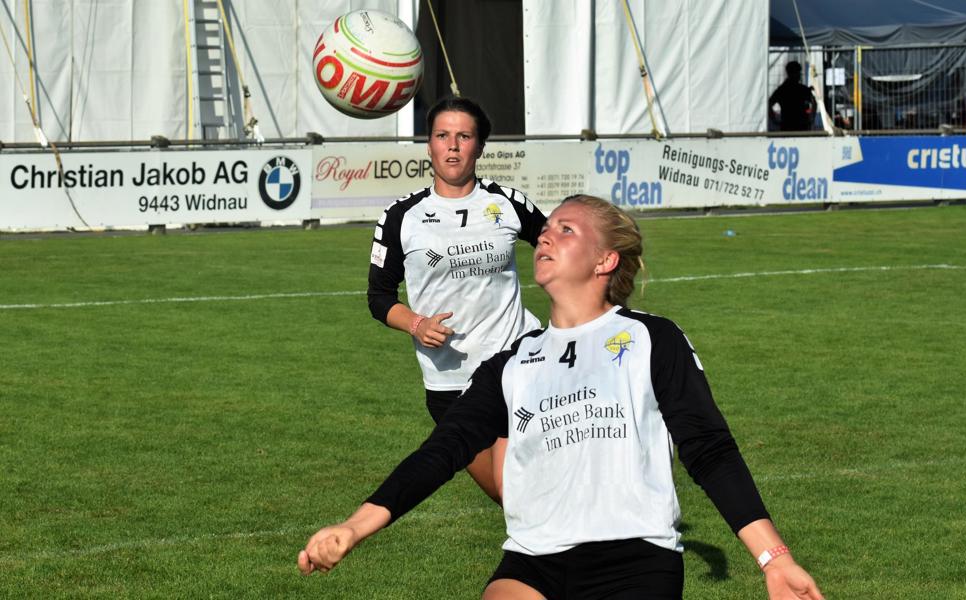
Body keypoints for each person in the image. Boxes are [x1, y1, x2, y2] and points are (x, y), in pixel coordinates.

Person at [303, 196, 825, 600]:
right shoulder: (512, 362)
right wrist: (354, 527)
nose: (546, 237)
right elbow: (445, 449)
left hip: (634, 559)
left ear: (605, 260)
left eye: (566, 230)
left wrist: (773, 559)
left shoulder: (653, 339)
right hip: (533, 562)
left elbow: (708, 449)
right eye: (547, 229)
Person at [367, 97, 546, 502]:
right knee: (510, 496)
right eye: (442, 135)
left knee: (532, 492)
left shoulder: (508, 202)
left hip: (520, 366)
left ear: (479, 146)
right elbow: (379, 297)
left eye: (464, 136)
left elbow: (558, 248)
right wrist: (416, 324)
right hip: (451, 383)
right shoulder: (401, 216)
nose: (453, 145)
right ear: (428, 146)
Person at [769, 61, 817, 132]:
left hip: (787, 127)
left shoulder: (782, 90)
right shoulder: (801, 89)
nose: (800, 75)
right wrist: (811, 118)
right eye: (798, 73)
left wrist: (774, 120)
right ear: (793, 73)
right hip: (800, 127)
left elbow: (769, 103)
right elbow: (814, 102)